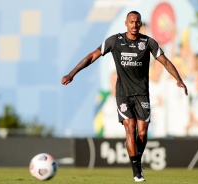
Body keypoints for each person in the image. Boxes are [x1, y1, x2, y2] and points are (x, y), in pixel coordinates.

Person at [61, 11, 188, 182]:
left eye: (137, 22)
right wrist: (72, 73)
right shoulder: (114, 41)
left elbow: (165, 61)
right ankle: (137, 172)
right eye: (131, 22)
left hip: (142, 94)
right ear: (126, 23)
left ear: (141, 24)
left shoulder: (148, 42)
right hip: (123, 94)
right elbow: (92, 56)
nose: (134, 25)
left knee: (142, 134)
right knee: (130, 126)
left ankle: (137, 161)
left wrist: (179, 80)